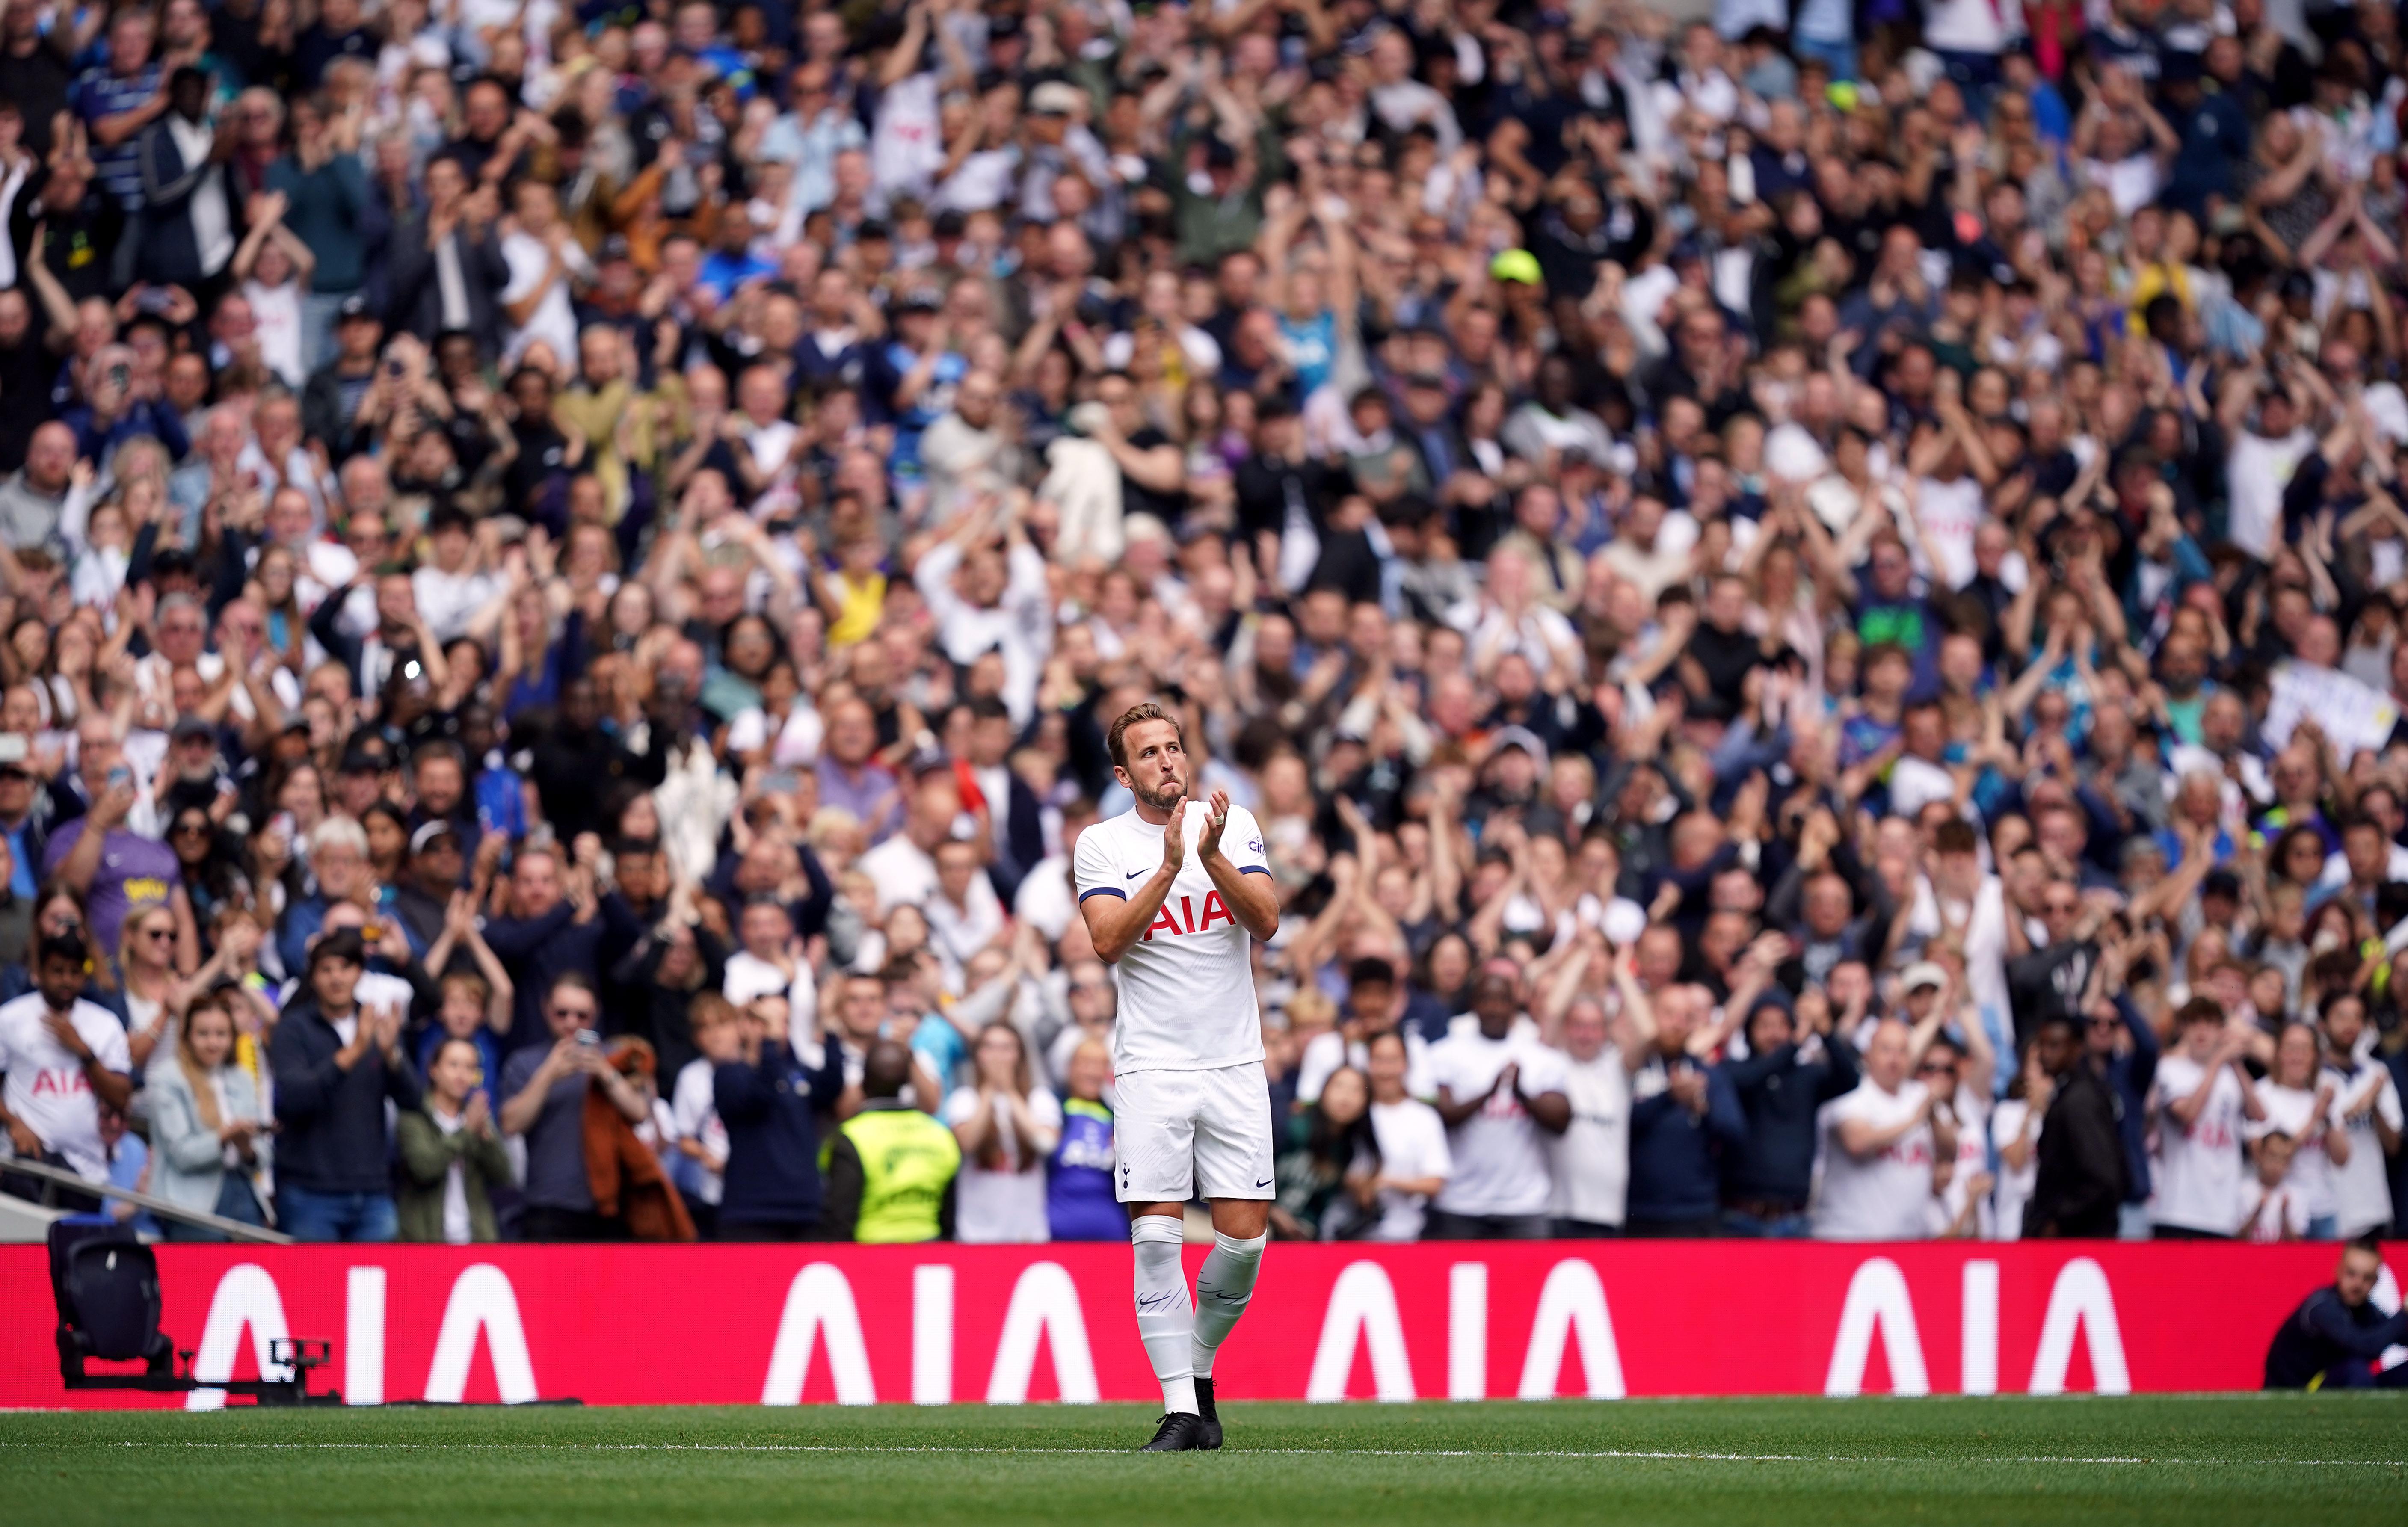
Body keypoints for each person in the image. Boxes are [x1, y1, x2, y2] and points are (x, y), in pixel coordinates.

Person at [1074, 701, 1280, 1452]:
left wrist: (1212, 854)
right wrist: (1167, 865)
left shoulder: (1235, 824)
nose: (1167, 761)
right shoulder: (1099, 845)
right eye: (1149, 753)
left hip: (1232, 1063)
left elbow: (1265, 921)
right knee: (1156, 1239)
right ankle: (1180, 1410)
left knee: (1243, 1246)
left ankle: (1196, 1372)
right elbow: (1106, 941)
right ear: (1124, 774)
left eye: (1173, 748)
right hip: (1151, 1066)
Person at [267, 929, 418, 1242]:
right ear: (312, 977)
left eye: (345, 967)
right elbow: (294, 1097)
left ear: (360, 973)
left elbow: (414, 1101)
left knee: (373, 1290)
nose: (336, 978)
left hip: (373, 1192)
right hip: (310, 1192)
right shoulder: (292, 1028)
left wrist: (392, 1057)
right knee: (313, 1291)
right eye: (326, 970)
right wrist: (352, 1053)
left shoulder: (377, 1024)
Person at [498, 973, 652, 1241]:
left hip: (609, 1206)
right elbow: (510, 1124)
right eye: (562, 1013)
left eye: (582, 1016)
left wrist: (605, 1072)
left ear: (596, 1014)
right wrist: (548, 1074)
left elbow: (640, 1112)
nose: (572, 1023)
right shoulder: (526, 1061)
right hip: (547, 1205)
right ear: (546, 1010)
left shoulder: (615, 1056)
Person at [1424, 969, 1571, 1239]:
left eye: (1502, 1000)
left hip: (1524, 1204)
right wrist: (1489, 1092)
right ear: (1474, 1005)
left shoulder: (1540, 1058)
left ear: (1514, 1005)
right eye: (1486, 1000)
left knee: (1526, 1282)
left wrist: (1522, 1095)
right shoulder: (1445, 1054)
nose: (1494, 1009)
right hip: (1461, 1203)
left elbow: (1562, 1122)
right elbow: (1443, 1117)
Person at [0, 931, 132, 1207]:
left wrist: (84, 1051)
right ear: (40, 971)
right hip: (24, 1163)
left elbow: (121, 1098)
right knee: (23, 1249)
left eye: (75, 972)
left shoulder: (105, 1024)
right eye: (58, 971)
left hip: (87, 1170)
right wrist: (14, 1122)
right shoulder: (11, 1018)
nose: (66, 981)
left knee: (77, 1248)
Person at [713, 985, 843, 1241]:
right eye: (766, 1021)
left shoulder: (799, 1072)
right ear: (745, 1025)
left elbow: (831, 1087)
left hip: (803, 1208)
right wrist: (769, 1046)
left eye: (783, 1021)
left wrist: (830, 1030)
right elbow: (760, 1096)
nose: (776, 1030)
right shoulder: (729, 1075)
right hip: (750, 1211)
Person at [145, 989, 271, 1238]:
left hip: (242, 1189)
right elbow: (182, 1154)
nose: (213, 1043)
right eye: (203, 1034)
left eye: (221, 1034)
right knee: (201, 1277)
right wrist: (225, 1136)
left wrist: (247, 1148)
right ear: (187, 1036)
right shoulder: (167, 1078)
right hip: (189, 1200)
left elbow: (264, 1154)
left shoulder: (242, 1078)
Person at [1813, 1016, 1949, 1241]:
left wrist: (1932, 1116)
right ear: (1868, 1054)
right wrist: (1916, 1119)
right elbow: (1857, 1142)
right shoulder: (1849, 1092)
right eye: (1886, 1050)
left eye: (1902, 1051)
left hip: (1909, 1242)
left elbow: (1950, 1150)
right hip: (1847, 1239)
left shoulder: (1919, 1095)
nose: (1894, 1060)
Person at [823, 1039, 963, 1242]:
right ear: (908, 1082)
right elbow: (949, 1216)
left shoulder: (852, 1136)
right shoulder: (940, 1135)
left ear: (863, 1082)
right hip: (928, 1255)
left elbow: (839, 1217)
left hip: (868, 1256)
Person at [2149, 999, 2263, 1239]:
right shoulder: (2169, 1068)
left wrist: (2237, 1065)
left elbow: (2259, 1114)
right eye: (2194, 1023)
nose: (2202, 1031)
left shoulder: (2231, 1073)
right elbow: (2188, 1114)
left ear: (2221, 1031)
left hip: (2224, 1213)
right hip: (2177, 1211)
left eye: (2210, 1024)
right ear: (2183, 1030)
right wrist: (2217, 1062)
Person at [942, 1020, 1062, 1244]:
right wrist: (989, 1090)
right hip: (975, 1234)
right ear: (978, 1055)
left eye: (1006, 1048)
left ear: (1019, 1055)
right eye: (989, 1047)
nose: (998, 1056)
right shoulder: (964, 1100)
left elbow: (1046, 1143)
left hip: (1028, 1233)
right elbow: (967, 1142)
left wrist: (1011, 1094)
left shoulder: (1039, 1099)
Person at [396, 1035, 513, 1243]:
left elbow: (503, 1176)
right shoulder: (414, 1116)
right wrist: (467, 1131)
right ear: (434, 1070)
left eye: (470, 1068)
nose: (462, 1075)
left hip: (474, 1239)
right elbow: (424, 1168)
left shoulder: (477, 1116)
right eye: (454, 1065)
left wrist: (488, 1142)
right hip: (426, 1240)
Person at [2262, 1236, 2408, 1389]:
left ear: (2376, 1282)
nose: (2358, 1284)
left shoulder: (2368, 1311)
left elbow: (2400, 1337)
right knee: (2356, 1369)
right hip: (2298, 1391)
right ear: (2338, 1270)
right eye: (2352, 1274)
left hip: (2340, 1385)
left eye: (2367, 1278)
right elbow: (2366, 1346)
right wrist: (2404, 1314)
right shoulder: (2323, 1308)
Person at [1360, 1029, 1450, 1241]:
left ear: (1406, 1065)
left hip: (1407, 1234)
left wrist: (1386, 1182)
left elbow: (1436, 1181)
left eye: (1393, 1061)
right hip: (1352, 1235)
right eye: (1379, 1060)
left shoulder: (1424, 1118)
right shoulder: (1356, 1113)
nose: (1386, 1070)